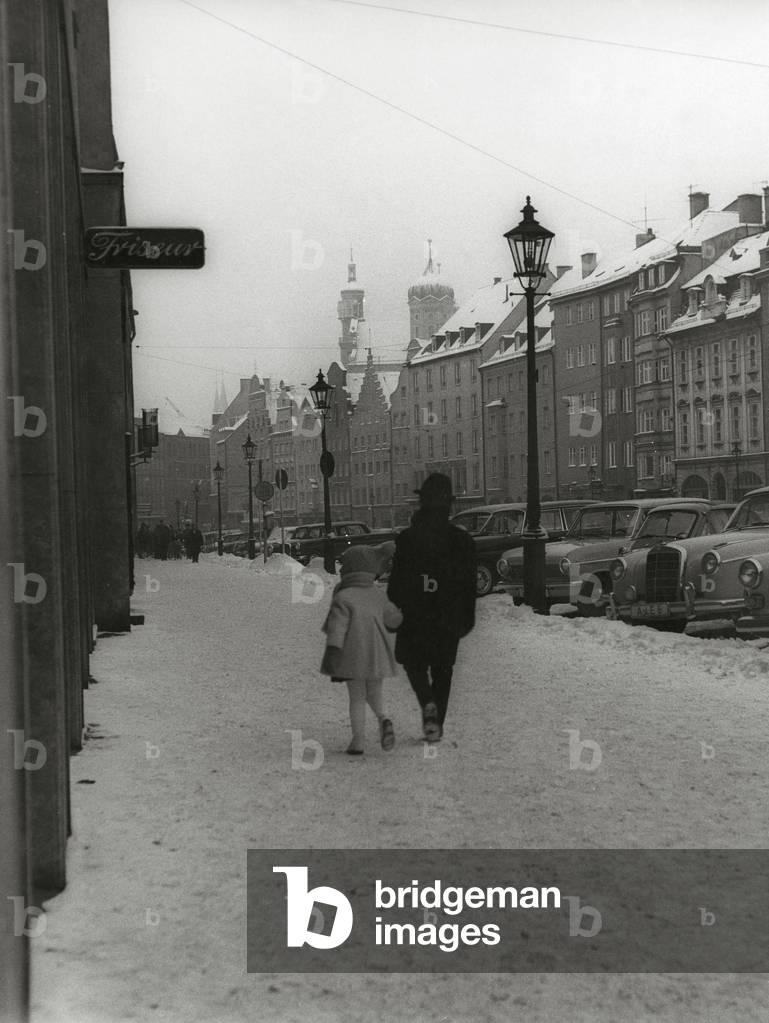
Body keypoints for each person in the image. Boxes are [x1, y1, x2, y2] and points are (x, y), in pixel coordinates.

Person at [387, 473, 476, 743]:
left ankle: (426, 700)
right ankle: (435, 723)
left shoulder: (407, 539)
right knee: (443, 670)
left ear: (421, 503)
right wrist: (466, 619)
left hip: (415, 618)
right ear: (449, 505)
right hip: (448, 618)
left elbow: (395, 586)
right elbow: (469, 588)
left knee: (414, 665)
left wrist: (400, 609)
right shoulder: (462, 542)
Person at [320, 545, 403, 756]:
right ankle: (384, 718)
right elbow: (394, 620)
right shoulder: (377, 595)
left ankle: (358, 742)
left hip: (352, 654)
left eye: (344, 565)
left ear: (351, 569)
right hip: (378, 655)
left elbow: (337, 628)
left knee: (356, 696)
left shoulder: (343, 596)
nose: (340, 569)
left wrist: (332, 651)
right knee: (375, 691)